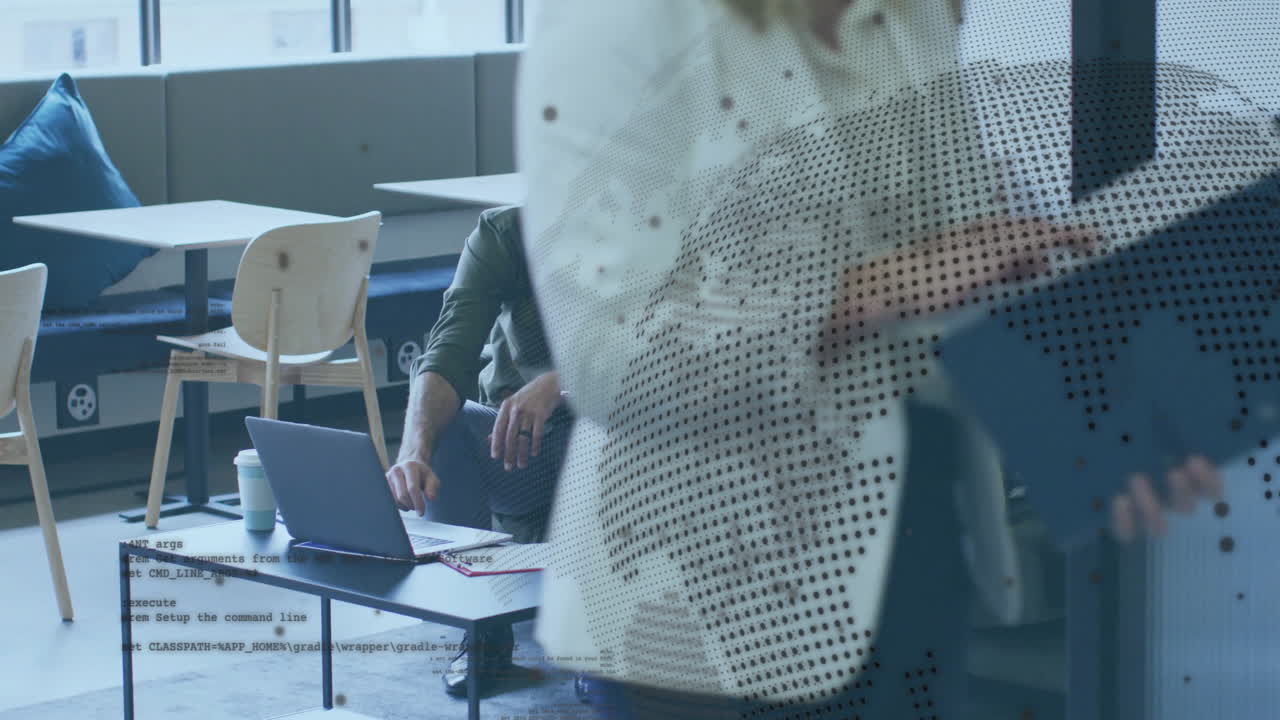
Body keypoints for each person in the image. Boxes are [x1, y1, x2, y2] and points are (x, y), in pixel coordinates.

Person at [515, 1, 1223, 718]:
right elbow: (604, 353)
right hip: (702, 605)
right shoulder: (616, 17)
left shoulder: (912, 14)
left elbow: (959, 272)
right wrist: (860, 291)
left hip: (912, 554)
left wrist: (1087, 422)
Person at [385, 204, 574, 697]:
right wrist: (413, 452)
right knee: (441, 422)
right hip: (521, 450)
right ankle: (484, 637)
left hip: (622, 443)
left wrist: (564, 382)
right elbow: (447, 353)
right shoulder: (505, 234)